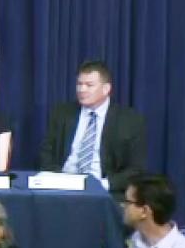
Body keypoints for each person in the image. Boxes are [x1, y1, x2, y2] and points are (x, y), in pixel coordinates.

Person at [39, 60, 147, 197]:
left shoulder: (130, 120)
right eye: (79, 84)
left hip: (105, 192)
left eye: (89, 85)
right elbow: (46, 153)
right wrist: (60, 179)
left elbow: (136, 169)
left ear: (106, 89)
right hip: (63, 188)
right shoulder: (62, 114)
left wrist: (104, 185)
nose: (81, 90)